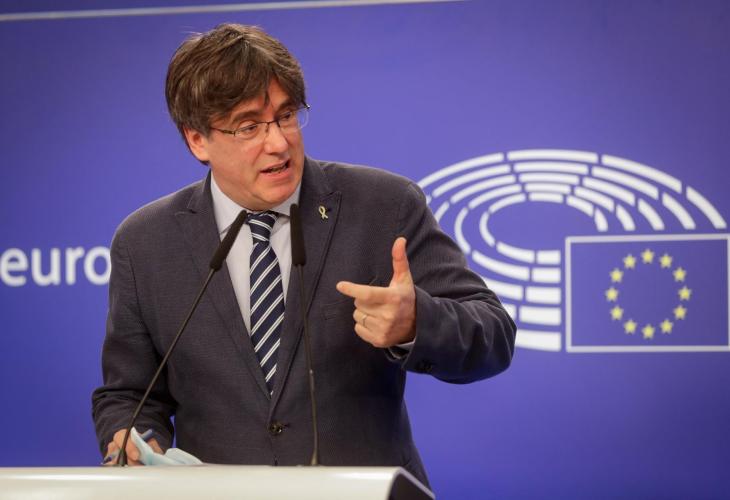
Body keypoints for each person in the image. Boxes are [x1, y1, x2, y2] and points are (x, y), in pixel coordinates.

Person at [91, 23, 515, 484]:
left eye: (286, 115)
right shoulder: (145, 243)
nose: (278, 142)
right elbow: (130, 394)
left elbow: (493, 335)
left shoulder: (384, 206)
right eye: (249, 126)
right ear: (197, 140)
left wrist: (417, 323)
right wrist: (133, 437)